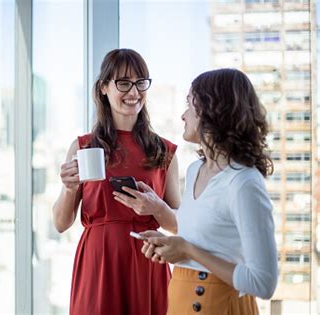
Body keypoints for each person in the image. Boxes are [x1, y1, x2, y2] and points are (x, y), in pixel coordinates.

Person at [114, 68, 278, 314]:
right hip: (181, 301)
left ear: (213, 111)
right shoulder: (195, 171)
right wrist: (165, 231)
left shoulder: (244, 183)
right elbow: (199, 232)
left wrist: (188, 250)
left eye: (190, 104)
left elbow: (263, 283)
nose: (183, 115)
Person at [53, 48, 181, 315]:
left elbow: (179, 225)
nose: (133, 92)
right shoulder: (83, 147)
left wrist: (156, 208)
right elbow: (61, 223)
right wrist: (69, 188)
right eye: (123, 83)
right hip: (98, 262)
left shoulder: (164, 151)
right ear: (103, 88)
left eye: (140, 82)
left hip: (148, 260)